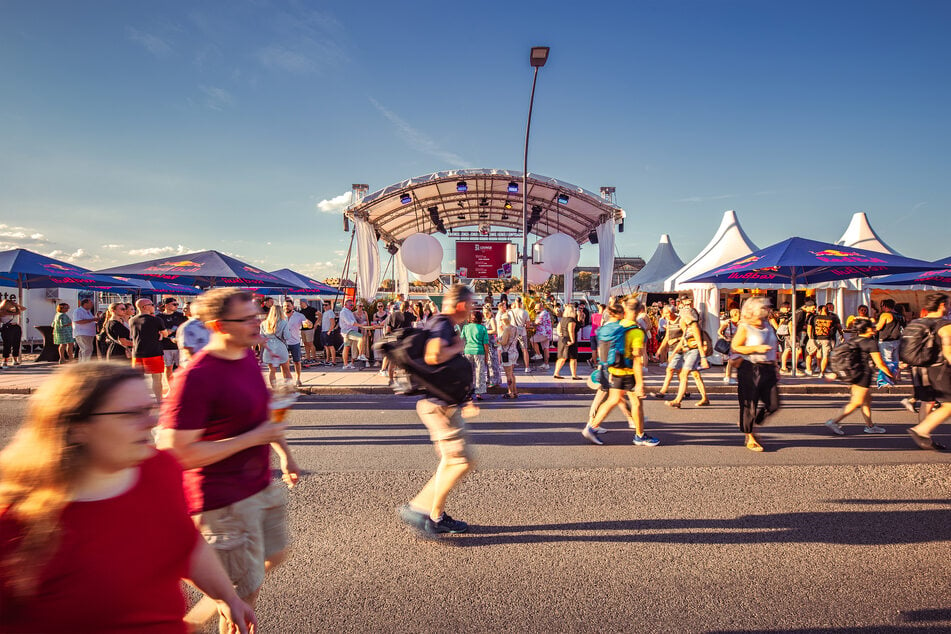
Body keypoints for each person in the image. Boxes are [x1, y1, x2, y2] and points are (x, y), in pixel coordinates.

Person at [0, 362, 256, 633]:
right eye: (130, 414)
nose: (151, 421)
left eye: (148, 410)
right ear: (77, 427)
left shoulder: (160, 468)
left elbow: (184, 541)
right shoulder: (17, 525)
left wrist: (225, 596)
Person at [158, 288, 298, 633]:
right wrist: (254, 439)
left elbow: (264, 418)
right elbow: (179, 454)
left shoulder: (247, 355)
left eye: (257, 315)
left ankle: (219, 591)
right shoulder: (196, 377)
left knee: (275, 555)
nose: (258, 322)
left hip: (260, 486)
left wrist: (286, 456)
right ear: (220, 326)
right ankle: (223, 596)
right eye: (248, 319)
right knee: (242, 601)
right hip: (223, 503)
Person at [397, 284, 476, 537]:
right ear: (461, 305)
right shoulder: (442, 324)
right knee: (461, 462)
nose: (473, 309)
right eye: (471, 304)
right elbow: (434, 356)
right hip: (438, 408)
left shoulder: (441, 323)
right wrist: (458, 347)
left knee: (453, 461)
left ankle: (435, 516)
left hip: (442, 405)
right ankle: (420, 509)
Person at [583, 298, 658, 447]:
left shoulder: (618, 325)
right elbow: (637, 359)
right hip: (628, 371)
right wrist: (641, 383)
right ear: (639, 311)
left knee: (613, 399)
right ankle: (640, 435)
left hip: (613, 369)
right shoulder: (636, 331)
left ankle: (592, 427)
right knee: (636, 403)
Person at [824, 320, 893, 435]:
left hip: (856, 374)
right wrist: (891, 376)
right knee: (856, 402)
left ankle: (870, 426)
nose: (874, 328)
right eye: (872, 327)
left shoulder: (853, 340)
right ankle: (834, 421)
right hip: (863, 375)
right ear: (867, 329)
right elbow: (879, 363)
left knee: (867, 400)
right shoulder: (870, 343)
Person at [731, 297, 781, 452]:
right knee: (749, 405)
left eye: (767, 307)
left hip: (768, 368)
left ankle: (755, 422)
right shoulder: (745, 326)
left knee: (773, 404)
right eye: (764, 307)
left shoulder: (768, 325)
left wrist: (776, 365)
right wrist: (756, 348)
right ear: (753, 310)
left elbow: (774, 346)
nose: (767, 309)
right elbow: (735, 347)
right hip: (750, 368)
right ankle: (749, 435)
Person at [907, 293, 951, 451]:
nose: (949, 306)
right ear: (941, 305)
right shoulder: (945, 325)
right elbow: (948, 352)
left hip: (918, 368)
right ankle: (921, 430)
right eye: (948, 303)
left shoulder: (917, 322)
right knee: (949, 404)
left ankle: (925, 438)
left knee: (927, 401)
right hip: (938, 370)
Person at [666, 294, 710, 408]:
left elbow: (699, 342)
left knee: (684, 373)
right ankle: (705, 398)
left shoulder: (693, 326)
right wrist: (675, 352)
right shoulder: (687, 327)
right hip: (688, 350)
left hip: (694, 351)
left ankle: (678, 399)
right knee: (695, 374)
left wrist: (703, 358)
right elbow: (683, 341)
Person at [130, 298, 169, 403]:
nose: (154, 306)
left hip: (137, 352)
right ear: (144, 307)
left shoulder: (132, 320)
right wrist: (161, 334)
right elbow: (165, 334)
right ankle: (159, 400)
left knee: (138, 379)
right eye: (151, 304)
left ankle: (139, 400)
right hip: (153, 351)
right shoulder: (156, 319)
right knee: (157, 378)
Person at [158, 298, 187, 390]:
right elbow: (159, 331)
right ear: (166, 305)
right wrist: (167, 332)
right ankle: (171, 389)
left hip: (179, 346)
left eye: (177, 304)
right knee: (168, 368)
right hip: (166, 346)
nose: (176, 306)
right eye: (174, 304)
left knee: (182, 368)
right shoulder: (159, 317)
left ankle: (180, 388)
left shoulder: (181, 316)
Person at [260, 304, 292, 388]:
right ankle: (288, 389)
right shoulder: (283, 322)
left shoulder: (264, 323)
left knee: (272, 371)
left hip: (269, 348)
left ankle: (274, 389)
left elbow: (262, 338)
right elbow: (287, 337)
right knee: (286, 370)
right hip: (280, 347)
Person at [461, 310, 489, 400]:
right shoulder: (482, 328)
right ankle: (478, 393)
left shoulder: (465, 327)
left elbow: (462, 340)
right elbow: (486, 344)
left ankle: (468, 393)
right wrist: (486, 356)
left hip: (468, 351)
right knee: (479, 373)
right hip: (479, 352)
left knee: (468, 373)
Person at [282, 299, 312, 386]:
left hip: (295, 341)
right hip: (283, 342)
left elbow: (309, 325)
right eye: (284, 306)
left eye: (288, 306)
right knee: (284, 362)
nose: (286, 307)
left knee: (297, 361)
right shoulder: (280, 316)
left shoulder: (299, 315)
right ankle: (286, 380)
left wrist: (308, 323)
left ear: (293, 306)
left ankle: (298, 379)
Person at [810, 303, 842, 376]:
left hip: (825, 337)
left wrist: (811, 337)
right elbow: (839, 326)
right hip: (824, 338)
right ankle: (821, 369)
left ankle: (822, 368)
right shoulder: (831, 317)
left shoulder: (816, 317)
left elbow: (810, 327)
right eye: (828, 307)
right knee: (823, 354)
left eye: (831, 307)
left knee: (823, 353)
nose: (830, 309)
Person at [875, 298, 904, 378]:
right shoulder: (900, 315)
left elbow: (878, 327)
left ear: (884, 306)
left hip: (886, 340)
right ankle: (897, 376)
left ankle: (887, 378)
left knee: (886, 360)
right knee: (896, 360)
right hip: (897, 340)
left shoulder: (885, 315)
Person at [178, 301, 210, 368]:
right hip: (193, 367)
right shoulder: (189, 326)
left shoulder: (209, 324)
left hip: (207, 366)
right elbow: (188, 351)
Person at [553, 304, 581, 379]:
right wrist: (572, 340)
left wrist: (559, 334)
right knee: (573, 358)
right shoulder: (571, 320)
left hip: (562, 339)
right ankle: (574, 375)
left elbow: (558, 328)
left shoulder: (563, 319)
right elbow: (570, 330)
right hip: (569, 339)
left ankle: (556, 373)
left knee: (562, 357)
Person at [0, 298, 26, 369]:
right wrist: (15, 306)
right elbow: (18, 313)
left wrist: (15, 304)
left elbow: (24, 308)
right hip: (7, 327)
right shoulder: (2, 311)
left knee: (16, 344)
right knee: (7, 344)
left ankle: (15, 359)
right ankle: (5, 361)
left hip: (16, 327)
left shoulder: (11, 309)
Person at [498, 313, 519, 398]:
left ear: (503, 320)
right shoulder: (515, 328)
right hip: (514, 352)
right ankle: (515, 391)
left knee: (508, 375)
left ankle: (510, 393)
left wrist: (498, 340)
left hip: (507, 354)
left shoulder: (507, 329)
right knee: (512, 373)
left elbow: (504, 342)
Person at [795, 299, 818, 375]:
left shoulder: (801, 312)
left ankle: (796, 368)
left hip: (798, 333)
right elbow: (792, 324)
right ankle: (795, 369)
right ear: (807, 307)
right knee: (798, 351)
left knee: (799, 350)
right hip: (796, 334)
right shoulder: (801, 313)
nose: (814, 309)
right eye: (813, 308)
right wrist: (793, 335)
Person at [718, 308, 741, 384]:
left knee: (737, 360)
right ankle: (727, 376)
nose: (740, 316)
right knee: (730, 361)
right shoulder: (728, 323)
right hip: (730, 344)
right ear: (734, 315)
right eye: (739, 314)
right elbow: (719, 332)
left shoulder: (740, 323)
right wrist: (725, 338)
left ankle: (733, 376)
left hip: (738, 343)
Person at [483, 304, 503, 388]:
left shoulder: (492, 320)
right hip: (487, 343)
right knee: (488, 362)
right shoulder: (485, 320)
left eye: (487, 313)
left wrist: (485, 331)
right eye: (484, 313)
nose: (485, 314)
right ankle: (490, 379)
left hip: (491, 343)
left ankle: (494, 380)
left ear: (490, 312)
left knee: (492, 362)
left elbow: (495, 331)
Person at [338, 299, 362, 369]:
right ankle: (361, 354)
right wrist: (361, 325)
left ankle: (348, 364)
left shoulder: (349, 312)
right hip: (348, 331)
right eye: (350, 305)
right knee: (361, 338)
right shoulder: (344, 312)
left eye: (352, 305)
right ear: (345, 305)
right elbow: (349, 322)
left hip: (349, 331)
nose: (352, 306)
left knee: (347, 347)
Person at [770, 302, 793, 373]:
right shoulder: (772, 319)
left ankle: (780, 364)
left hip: (777, 336)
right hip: (774, 336)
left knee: (780, 350)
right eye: (776, 313)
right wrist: (781, 323)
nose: (778, 314)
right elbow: (777, 328)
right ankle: (778, 365)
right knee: (779, 350)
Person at [510, 298, 532, 373]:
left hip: (513, 332)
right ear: (521, 303)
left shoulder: (510, 312)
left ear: (515, 303)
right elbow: (528, 325)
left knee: (512, 349)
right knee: (524, 350)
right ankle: (527, 367)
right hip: (522, 332)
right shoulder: (525, 312)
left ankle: (511, 367)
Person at [532, 303, 553, 371]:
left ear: (541, 308)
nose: (535, 310)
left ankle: (538, 354)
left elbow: (537, 322)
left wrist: (530, 324)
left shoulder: (543, 314)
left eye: (536, 309)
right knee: (545, 348)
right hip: (547, 333)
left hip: (543, 333)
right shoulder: (544, 313)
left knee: (532, 340)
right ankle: (546, 364)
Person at [299, 299, 320, 365]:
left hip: (309, 328)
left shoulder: (311, 309)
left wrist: (316, 323)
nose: (300, 305)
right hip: (303, 328)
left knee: (310, 343)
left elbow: (320, 314)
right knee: (305, 343)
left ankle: (314, 357)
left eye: (301, 303)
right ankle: (308, 357)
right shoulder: (301, 311)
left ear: (304, 303)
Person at [321, 300, 338, 366]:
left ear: (329, 306)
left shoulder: (330, 312)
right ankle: (327, 360)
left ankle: (333, 361)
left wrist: (330, 331)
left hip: (328, 331)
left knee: (331, 346)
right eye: (323, 305)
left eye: (326, 305)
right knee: (326, 346)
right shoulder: (325, 313)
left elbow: (333, 323)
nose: (324, 306)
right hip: (324, 331)